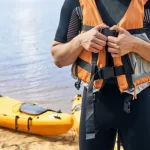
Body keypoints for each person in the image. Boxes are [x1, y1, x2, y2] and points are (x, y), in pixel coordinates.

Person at [51, 0, 150, 150]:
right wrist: (80, 40)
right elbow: (58, 58)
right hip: (95, 105)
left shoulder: (146, 5)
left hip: (139, 102)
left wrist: (134, 45)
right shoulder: (76, 3)